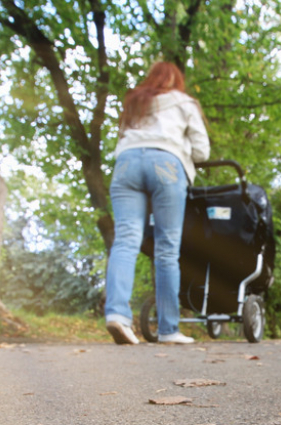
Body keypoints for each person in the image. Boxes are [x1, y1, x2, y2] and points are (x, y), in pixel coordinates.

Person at [104, 61, 210, 345]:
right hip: (166, 163)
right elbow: (202, 150)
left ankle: (117, 315)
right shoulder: (183, 101)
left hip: (126, 163)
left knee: (125, 240)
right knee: (167, 249)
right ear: (175, 81)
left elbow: (122, 137)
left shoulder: (135, 102)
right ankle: (168, 329)